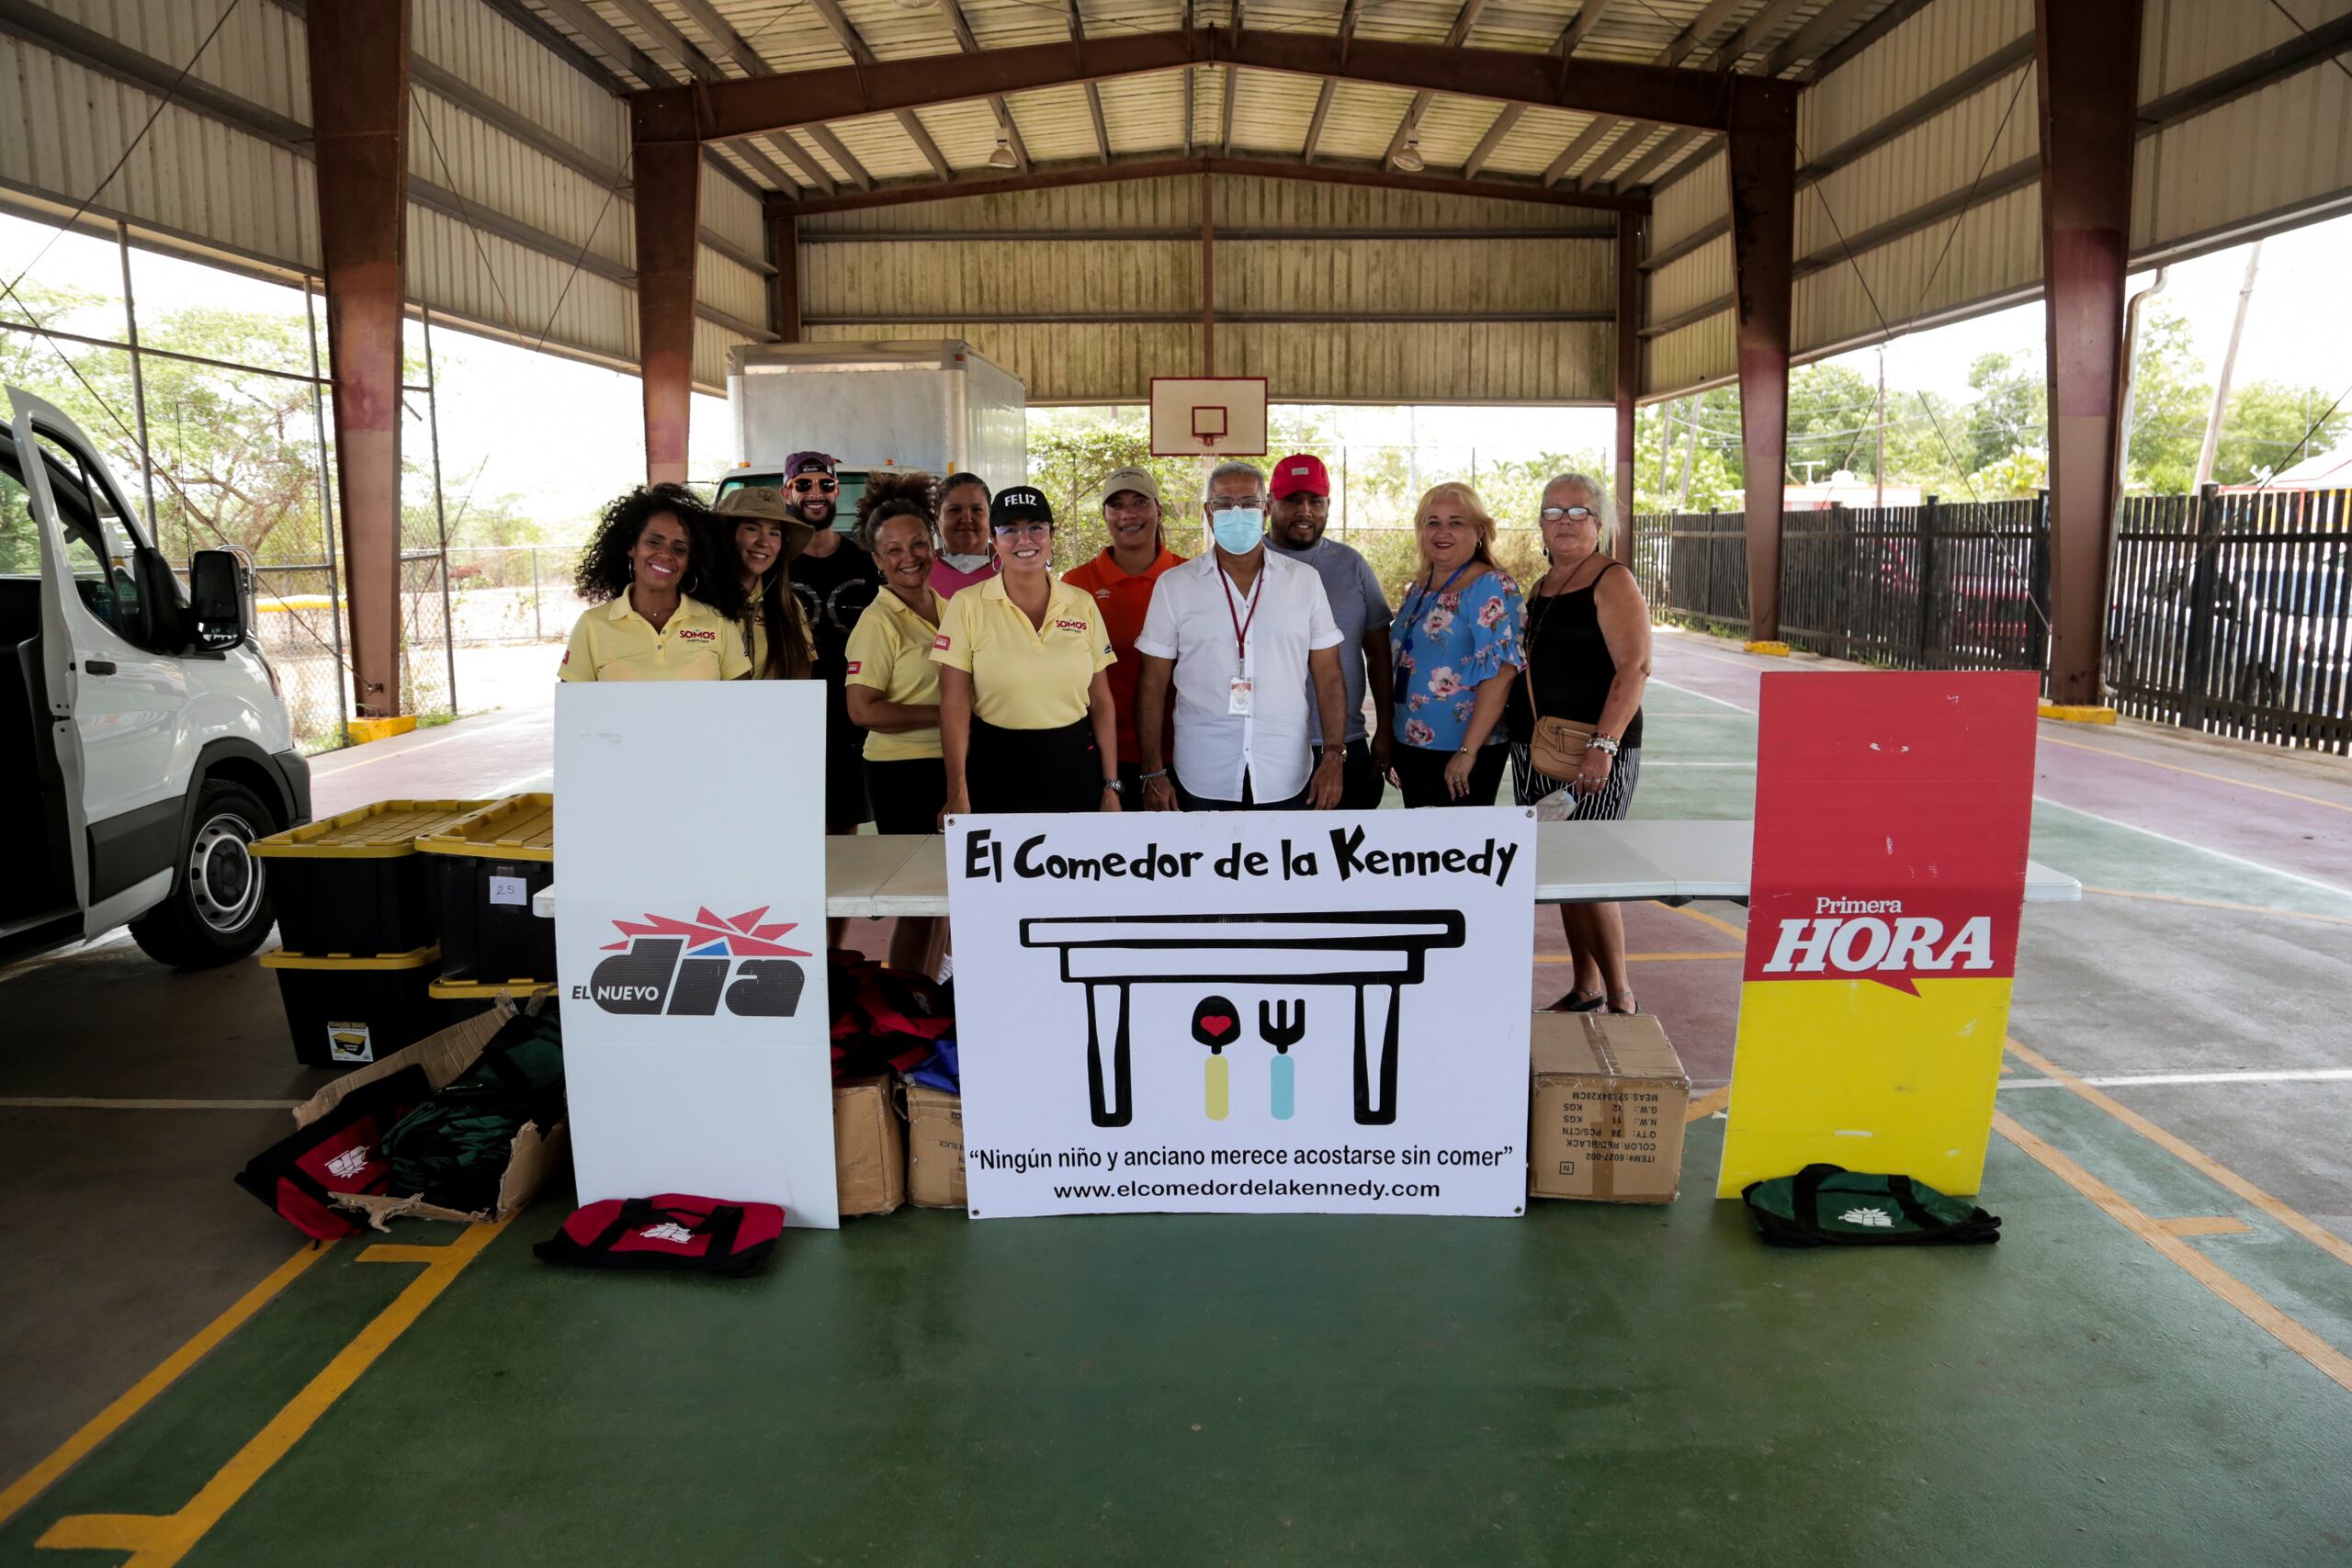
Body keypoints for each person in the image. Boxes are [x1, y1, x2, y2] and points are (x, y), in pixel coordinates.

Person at [1508, 472, 1652, 1015]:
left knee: (1592, 870)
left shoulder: (1612, 579)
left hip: (1593, 749)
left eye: (1577, 512)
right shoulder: (1544, 585)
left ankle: (1621, 995)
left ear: (1599, 523)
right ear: (1541, 524)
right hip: (1539, 746)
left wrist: (1605, 744)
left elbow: (1635, 669)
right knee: (1564, 868)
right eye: (1553, 512)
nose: (1564, 522)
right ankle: (1585, 986)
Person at [1132, 460, 1347, 812]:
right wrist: (1152, 770)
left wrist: (1334, 756)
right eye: (1224, 503)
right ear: (1208, 512)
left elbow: (1329, 677)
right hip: (1202, 772)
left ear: (1266, 509)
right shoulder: (1175, 586)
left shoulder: (1304, 581)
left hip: (1286, 771)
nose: (1237, 512)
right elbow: (1152, 684)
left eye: (1248, 502)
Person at [932, 485, 1123, 816]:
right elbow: (954, 703)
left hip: (1074, 769)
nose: (1025, 540)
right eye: (1010, 530)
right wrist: (957, 791)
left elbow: (1102, 702)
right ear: (993, 538)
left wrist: (1111, 787)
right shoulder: (967, 605)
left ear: (1051, 534)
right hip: (995, 770)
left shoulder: (1081, 604)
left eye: (1036, 527)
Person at [845, 479, 950, 976]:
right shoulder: (878, 622)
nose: (909, 557)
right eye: (893, 550)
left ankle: (927, 991)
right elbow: (862, 709)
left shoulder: (948, 610)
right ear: (877, 560)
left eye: (917, 545)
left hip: (949, 765)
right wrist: (944, 713)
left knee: (946, 898)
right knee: (917, 902)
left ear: (933, 546)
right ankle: (906, 998)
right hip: (902, 773)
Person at [1264, 453, 1393, 810]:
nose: (1304, 511)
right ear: (1270, 504)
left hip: (1345, 742)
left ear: (1327, 506)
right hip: (1268, 745)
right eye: (1291, 500)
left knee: (1346, 855)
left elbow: (1379, 652)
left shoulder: (1351, 564)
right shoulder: (1247, 563)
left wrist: (1384, 729)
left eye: (1314, 501)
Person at [1387, 481, 1524, 808]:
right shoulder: (1419, 587)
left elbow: (1502, 673)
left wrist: (1467, 752)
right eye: (1432, 522)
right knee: (1421, 851)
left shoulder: (1489, 585)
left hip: (1463, 751)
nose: (1442, 532)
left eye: (1456, 522)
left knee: (1459, 850)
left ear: (1479, 532)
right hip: (1412, 744)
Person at [1062, 466, 1187, 799]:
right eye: (1116, 505)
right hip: (1106, 755)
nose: (1128, 514)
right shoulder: (1076, 585)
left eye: (1140, 502)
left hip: (1185, 753)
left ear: (1158, 510)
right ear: (1104, 515)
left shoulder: (1190, 575)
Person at [782, 450, 881, 836]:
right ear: (786, 491)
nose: (815, 493)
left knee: (843, 835)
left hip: (849, 719)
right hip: (791, 714)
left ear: (836, 490)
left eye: (825, 484)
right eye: (803, 485)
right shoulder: (775, 563)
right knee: (791, 828)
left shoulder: (863, 562)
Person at [559, 484, 750, 682]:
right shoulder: (592, 626)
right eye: (654, 542)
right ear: (632, 547)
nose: (666, 554)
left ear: (689, 562)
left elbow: (743, 705)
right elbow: (572, 710)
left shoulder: (718, 623)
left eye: (679, 548)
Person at [712, 484, 815, 680]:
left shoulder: (789, 605)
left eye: (774, 533)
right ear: (727, 535)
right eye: (752, 528)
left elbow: (802, 676)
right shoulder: (698, 600)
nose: (764, 542)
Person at [930, 472, 999, 598]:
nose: (967, 518)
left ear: (991, 518)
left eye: (977, 510)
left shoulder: (1011, 567)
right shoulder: (921, 571)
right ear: (937, 520)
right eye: (955, 510)